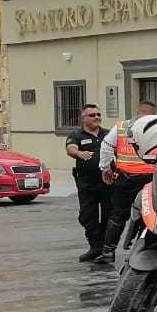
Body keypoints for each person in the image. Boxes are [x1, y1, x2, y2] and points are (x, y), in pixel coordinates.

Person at [95, 101, 157, 265]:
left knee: (118, 215)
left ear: (137, 111)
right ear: (154, 113)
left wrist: (106, 169)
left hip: (127, 178)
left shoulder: (121, 127)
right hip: (153, 179)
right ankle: (150, 250)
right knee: (154, 215)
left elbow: (106, 147)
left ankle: (108, 252)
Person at [65, 103, 110, 262]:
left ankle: (106, 248)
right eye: (92, 115)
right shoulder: (77, 135)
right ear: (83, 118)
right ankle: (95, 246)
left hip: (108, 182)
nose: (97, 117)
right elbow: (70, 148)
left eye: (98, 114)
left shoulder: (108, 134)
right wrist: (79, 153)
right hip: (87, 182)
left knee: (108, 215)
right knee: (87, 215)